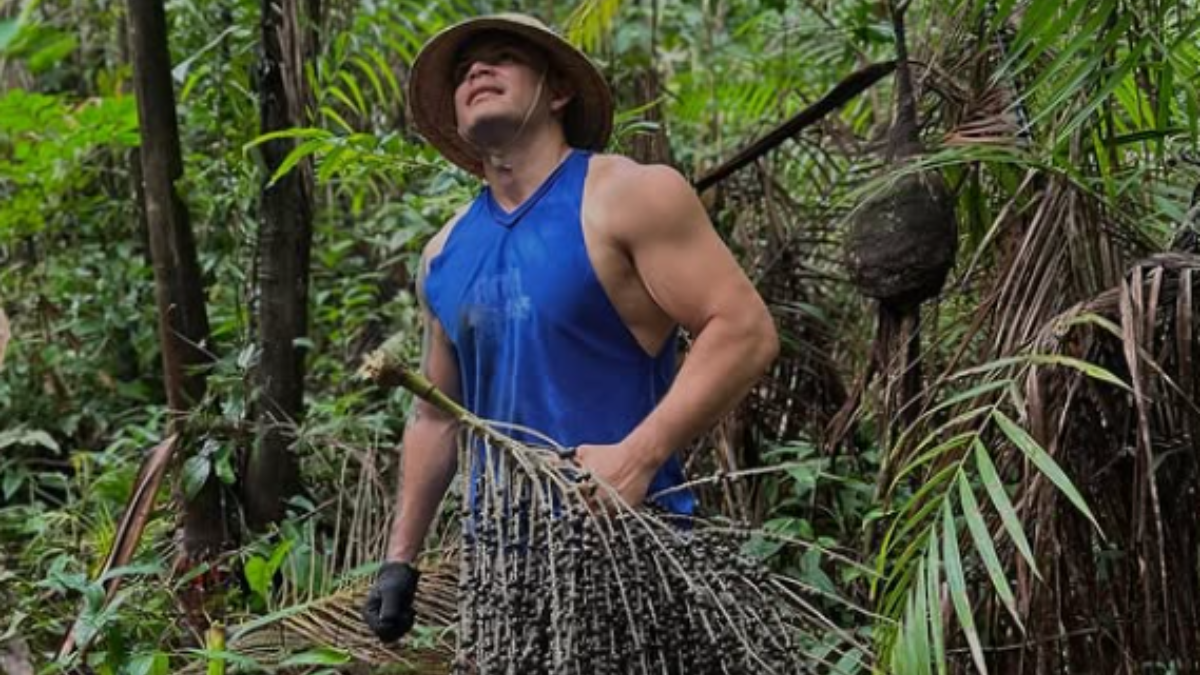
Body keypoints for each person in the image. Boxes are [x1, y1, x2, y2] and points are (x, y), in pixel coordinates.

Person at [362, 13, 778, 644]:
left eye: (502, 57)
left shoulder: (629, 196)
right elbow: (437, 417)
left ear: (556, 92)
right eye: (465, 70)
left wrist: (637, 458)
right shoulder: (442, 254)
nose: (478, 70)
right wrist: (400, 559)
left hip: (631, 557)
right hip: (506, 582)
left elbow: (744, 328)